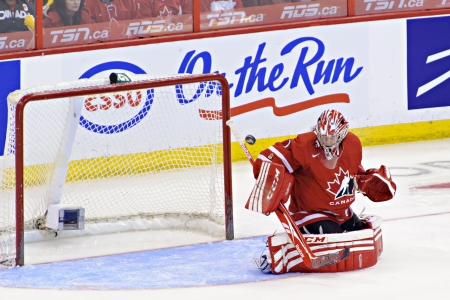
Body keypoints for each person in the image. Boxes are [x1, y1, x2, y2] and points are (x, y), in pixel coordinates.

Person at [252, 109, 397, 235]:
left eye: (332, 137)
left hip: (342, 212)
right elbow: (266, 158)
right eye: (323, 136)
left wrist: (361, 180)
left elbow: (351, 169)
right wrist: (273, 180)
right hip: (310, 214)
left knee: (361, 233)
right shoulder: (304, 145)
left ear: (342, 134)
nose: (327, 141)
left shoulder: (352, 143)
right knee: (335, 237)